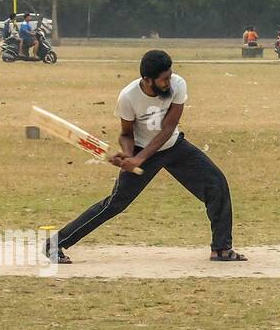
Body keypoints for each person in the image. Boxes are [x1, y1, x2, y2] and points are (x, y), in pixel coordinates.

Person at [44, 49, 245, 264]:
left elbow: (168, 128)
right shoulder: (128, 97)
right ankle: (55, 244)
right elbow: (126, 134)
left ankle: (221, 248)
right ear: (147, 80)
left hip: (173, 146)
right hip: (141, 149)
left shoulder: (178, 84)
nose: (168, 82)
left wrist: (139, 160)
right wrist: (129, 156)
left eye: (169, 76)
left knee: (216, 183)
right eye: (163, 79)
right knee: (115, 204)